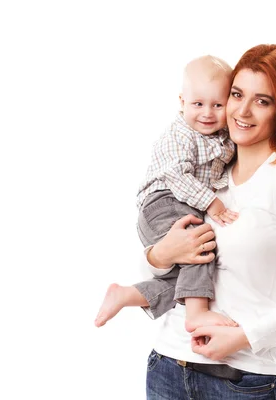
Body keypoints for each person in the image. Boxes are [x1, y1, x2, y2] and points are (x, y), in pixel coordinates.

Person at [140, 44, 276, 399]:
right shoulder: (208, 173)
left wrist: (246, 337)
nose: (243, 110)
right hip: (169, 367)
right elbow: (169, 273)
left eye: (263, 101)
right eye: (237, 94)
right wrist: (157, 257)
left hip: (243, 381)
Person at [95, 55, 240, 332]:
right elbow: (175, 175)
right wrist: (212, 203)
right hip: (163, 203)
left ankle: (126, 295)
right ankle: (196, 315)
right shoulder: (180, 135)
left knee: (188, 278)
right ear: (182, 101)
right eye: (198, 104)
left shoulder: (222, 138)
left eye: (217, 105)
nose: (208, 113)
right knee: (199, 246)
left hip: (179, 207)